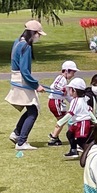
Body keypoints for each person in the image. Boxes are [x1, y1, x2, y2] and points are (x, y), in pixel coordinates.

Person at [5, 20, 46, 150]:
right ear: (33, 33)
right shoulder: (26, 46)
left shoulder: (18, 42)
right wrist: (36, 85)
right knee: (33, 111)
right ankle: (21, 142)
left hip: (16, 79)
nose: (38, 37)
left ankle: (17, 133)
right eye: (38, 34)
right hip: (22, 81)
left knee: (30, 109)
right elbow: (25, 71)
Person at [51, 77, 97, 159]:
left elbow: (71, 113)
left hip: (82, 122)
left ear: (74, 90)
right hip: (77, 123)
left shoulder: (76, 101)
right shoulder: (82, 100)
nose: (68, 91)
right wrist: (95, 121)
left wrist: (60, 122)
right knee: (69, 134)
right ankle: (73, 150)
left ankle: (90, 153)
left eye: (69, 89)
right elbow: (89, 111)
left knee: (81, 140)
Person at [47, 60, 79, 146]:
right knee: (63, 120)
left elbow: (67, 96)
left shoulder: (64, 81)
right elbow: (54, 86)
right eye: (72, 72)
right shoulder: (61, 78)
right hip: (55, 102)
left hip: (58, 102)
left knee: (64, 119)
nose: (73, 75)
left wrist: (74, 101)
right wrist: (62, 90)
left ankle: (55, 136)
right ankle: (53, 137)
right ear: (66, 71)